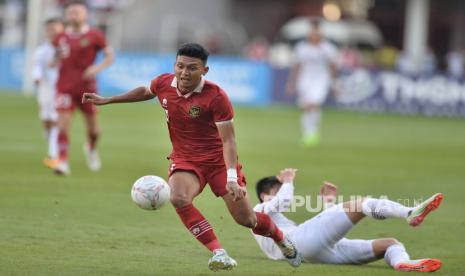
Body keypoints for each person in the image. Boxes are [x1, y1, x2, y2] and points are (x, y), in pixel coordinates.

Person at [82, 43, 302, 271]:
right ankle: (219, 252)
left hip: (218, 163)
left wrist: (231, 177)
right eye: (180, 66)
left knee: (247, 220)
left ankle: (281, 239)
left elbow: (229, 141)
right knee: (178, 197)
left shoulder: (216, 97)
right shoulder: (163, 83)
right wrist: (108, 99)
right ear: (174, 66)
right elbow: (147, 91)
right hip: (185, 160)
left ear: (204, 71)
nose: (184, 72)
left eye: (192, 68)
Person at [253, 168, 443, 272]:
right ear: (263, 196)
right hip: (298, 245)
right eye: (275, 190)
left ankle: (401, 263)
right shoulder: (258, 210)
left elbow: (322, 233)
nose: (282, 192)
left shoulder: (274, 219)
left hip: (314, 253)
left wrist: (328, 203)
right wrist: (287, 180)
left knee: (390, 244)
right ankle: (409, 213)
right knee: (361, 204)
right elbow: (284, 201)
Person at [51, 0, 114, 175]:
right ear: (66, 15)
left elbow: (110, 56)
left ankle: (91, 148)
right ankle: (62, 161)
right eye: (71, 13)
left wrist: (96, 68)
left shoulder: (95, 35)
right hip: (64, 87)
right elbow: (52, 63)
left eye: (77, 12)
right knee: (63, 124)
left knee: (94, 130)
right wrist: (55, 57)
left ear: (85, 14)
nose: (73, 15)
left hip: (87, 89)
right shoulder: (60, 37)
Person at [285, 20, 338, 147]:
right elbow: (296, 66)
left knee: (313, 104)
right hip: (305, 80)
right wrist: (291, 83)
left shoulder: (328, 48)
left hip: (321, 80)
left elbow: (332, 66)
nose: (314, 34)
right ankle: (308, 133)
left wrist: (334, 82)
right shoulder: (302, 48)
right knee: (305, 107)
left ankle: (312, 133)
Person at [32, 18, 64, 168]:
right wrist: (37, 78)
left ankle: (53, 155)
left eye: (56, 29)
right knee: (46, 122)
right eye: (50, 29)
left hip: (62, 89)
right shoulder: (41, 51)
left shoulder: (66, 48)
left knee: (56, 121)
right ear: (46, 31)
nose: (53, 32)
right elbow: (37, 67)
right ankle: (52, 146)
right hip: (45, 89)